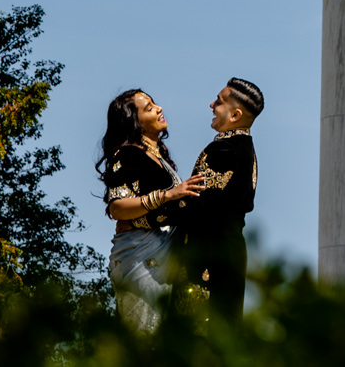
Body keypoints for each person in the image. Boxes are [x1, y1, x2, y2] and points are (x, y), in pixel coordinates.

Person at [96, 88, 206, 332]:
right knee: (145, 341)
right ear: (135, 122)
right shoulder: (126, 155)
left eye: (155, 104)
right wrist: (167, 195)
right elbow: (117, 208)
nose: (159, 108)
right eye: (149, 108)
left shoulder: (159, 157)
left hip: (165, 260)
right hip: (142, 259)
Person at [172, 77, 262, 319]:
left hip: (207, 258)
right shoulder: (243, 147)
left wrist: (157, 203)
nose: (211, 105)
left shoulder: (224, 150)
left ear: (235, 116)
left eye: (219, 102)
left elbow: (195, 206)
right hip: (226, 256)